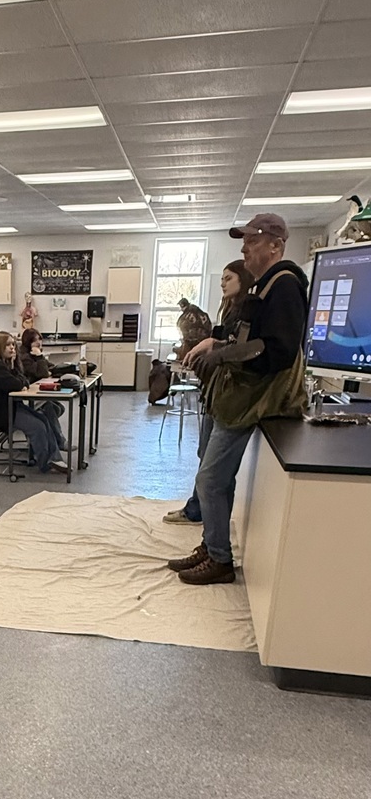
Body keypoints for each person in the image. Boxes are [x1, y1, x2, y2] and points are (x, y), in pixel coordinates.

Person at [170, 214, 308, 585]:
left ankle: (219, 559)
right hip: (232, 396)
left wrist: (225, 354)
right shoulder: (264, 286)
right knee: (217, 479)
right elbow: (240, 334)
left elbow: (276, 351)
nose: (245, 247)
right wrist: (217, 342)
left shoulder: (284, 286)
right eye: (244, 241)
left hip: (251, 399)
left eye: (253, 240)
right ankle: (211, 545)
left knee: (210, 479)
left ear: (276, 245)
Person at [164, 259, 256, 526]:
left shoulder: (248, 313)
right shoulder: (228, 312)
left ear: (244, 279)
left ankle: (209, 531)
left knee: (212, 472)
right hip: (214, 392)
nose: (223, 283)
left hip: (232, 396)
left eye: (228, 278)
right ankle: (197, 509)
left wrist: (212, 344)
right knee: (205, 455)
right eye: (222, 278)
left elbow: (239, 349)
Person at [0, 332, 68, 474]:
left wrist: (14, 367)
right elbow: (16, 384)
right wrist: (19, 380)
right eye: (7, 345)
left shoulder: (4, 365)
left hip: (11, 407)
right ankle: (46, 462)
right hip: (1, 413)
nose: (12, 348)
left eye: (13, 344)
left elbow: (24, 380)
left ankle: (54, 458)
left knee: (44, 419)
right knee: (37, 426)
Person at [175, 297, 213, 361]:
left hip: (192, 344)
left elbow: (181, 327)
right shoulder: (201, 312)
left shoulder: (186, 317)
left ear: (182, 305)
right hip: (205, 345)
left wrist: (185, 339)